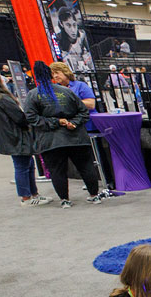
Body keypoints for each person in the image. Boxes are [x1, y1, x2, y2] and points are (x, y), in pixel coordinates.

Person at [24, 59, 101, 209]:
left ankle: (65, 199)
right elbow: (83, 111)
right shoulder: (67, 92)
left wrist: (55, 122)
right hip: (76, 138)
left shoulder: (33, 95)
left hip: (51, 141)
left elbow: (31, 117)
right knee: (86, 166)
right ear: (50, 75)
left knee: (57, 170)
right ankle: (94, 195)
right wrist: (73, 123)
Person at [0, 64, 50, 207]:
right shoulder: (1, 98)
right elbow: (20, 118)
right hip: (16, 135)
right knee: (22, 166)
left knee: (26, 164)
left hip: (4, 136)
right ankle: (26, 197)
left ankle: (33, 194)